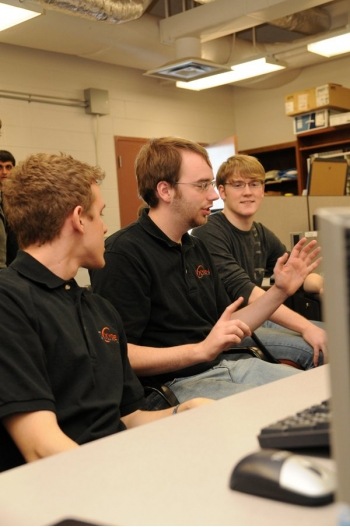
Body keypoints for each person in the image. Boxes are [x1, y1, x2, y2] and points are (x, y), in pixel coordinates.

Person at [0, 152, 210, 473]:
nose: (106, 227)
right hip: (66, 486)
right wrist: (123, 479)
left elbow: (129, 417)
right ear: (79, 218)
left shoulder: (99, 309)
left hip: (115, 466)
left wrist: (183, 413)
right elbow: (41, 447)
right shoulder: (9, 301)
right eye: (100, 215)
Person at [90, 137, 321, 409]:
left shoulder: (195, 247)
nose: (213, 195)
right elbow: (120, 355)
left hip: (223, 365)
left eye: (210, 185)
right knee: (278, 410)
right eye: (202, 186)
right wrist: (200, 351)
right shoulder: (124, 253)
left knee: (320, 394)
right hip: (171, 384)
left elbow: (231, 323)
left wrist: (281, 290)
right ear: (165, 190)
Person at [192, 154, 327, 370]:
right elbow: (253, 296)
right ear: (222, 191)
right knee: (319, 349)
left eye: (254, 184)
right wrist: (305, 328)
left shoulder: (260, 232)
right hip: (225, 328)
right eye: (238, 185)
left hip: (259, 319)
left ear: (263, 190)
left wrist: (323, 285)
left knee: (336, 335)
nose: (248, 192)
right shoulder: (209, 233)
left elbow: (296, 274)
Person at [0, 150, 18, 267]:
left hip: (17, 260)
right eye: (0, 167)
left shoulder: (21, 196)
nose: (4, 172)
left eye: (8, 167)